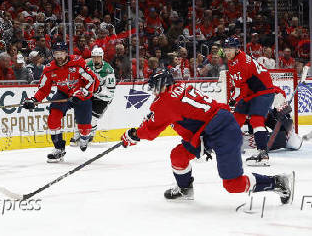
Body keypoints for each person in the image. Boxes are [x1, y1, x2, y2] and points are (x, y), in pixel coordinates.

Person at [121, 69, 294, 203]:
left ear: (162, 85)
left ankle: (277, 182)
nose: (153, 92)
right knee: (179, 155)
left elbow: (149, 130)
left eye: (154, 88)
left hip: (222, 130)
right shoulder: (179, 88)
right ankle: (185, 189)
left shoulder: (165, 101)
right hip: (207, 131)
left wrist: (133, 135)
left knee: (233, 185)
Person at [23, 42, 99, 162]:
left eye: (61, 53)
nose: (59, 56)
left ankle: (84, 135)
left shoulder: (77, 62)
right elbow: (43, 89)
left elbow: (92, 79)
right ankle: (59, 149)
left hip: (80, 93)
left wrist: (84, 92)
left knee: (84, 127)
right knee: (53, 118)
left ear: (66, 53)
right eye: (56, 53)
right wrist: (34, 100)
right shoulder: (49, 68)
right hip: (63, 94)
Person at [223, 37, 284, 166]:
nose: (227, 52)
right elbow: (240, 86)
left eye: (230, 49)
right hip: (251, 92)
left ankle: (263, 153)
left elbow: (241, 87)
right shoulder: (233, 60)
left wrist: (233, 100)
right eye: (226, 50)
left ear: (237, 49)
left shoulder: (242, 62)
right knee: (237, 118)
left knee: (256, 120)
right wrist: (235, 99)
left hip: (263, 92)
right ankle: (230, 147)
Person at [70, 47, 116, 146]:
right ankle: (77, 134)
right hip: (90, 95)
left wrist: (99, 90)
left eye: (98, 57)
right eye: (94, 57)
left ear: (102, 57)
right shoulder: (88, 66)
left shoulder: (108, 70)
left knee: (93, 117)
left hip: (102, 97)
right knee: (79, 114)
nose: (96, 59)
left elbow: (110, 90)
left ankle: (90, 134)